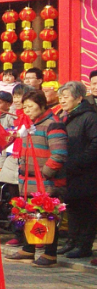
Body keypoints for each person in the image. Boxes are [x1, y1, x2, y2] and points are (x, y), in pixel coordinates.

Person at [7, 89, 66, 267]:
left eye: (31, 106)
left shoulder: (53, 124)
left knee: (48, 215)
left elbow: (59, 155)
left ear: (42, 105)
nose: (27, 110)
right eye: (24, 107)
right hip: (27, 179)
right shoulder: (29, 124)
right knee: (29, 214)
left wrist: (45, 173)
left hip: (45, 180)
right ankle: (28, 248)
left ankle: (50, 253)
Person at [57, 81, 97, 260]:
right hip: (71, 170)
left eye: (66, 97)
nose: (62, 100)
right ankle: (71, 241)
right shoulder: (65, 116)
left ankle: (84, 245)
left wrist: (79, 161)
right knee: (72, 206)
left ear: (79, 98)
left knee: (86, 209)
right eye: (60, 97)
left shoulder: (89, 117)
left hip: (86, 171)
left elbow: (95, 143)